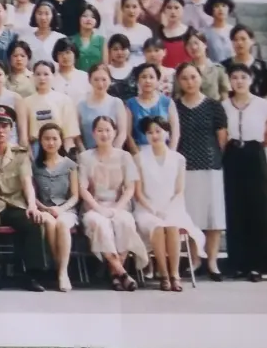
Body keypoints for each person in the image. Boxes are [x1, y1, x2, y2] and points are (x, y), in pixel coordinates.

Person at [0, 105, 48, 292]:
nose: (0, 130)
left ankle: (32, 275)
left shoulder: (20, 154)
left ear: (11, 128)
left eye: (4, 126)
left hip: (16, 203)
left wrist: (32, 205)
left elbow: (26, 182)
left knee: (34, 221)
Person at [133, 116, 206, 292]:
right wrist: (153, 209)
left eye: (158, 131)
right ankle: (164, 275)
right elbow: (138, 192)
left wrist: (167, 208)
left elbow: (179, 190)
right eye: (150, 132)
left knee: (172, 224)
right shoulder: (139, 158)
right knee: (157, 226)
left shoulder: (178, 159)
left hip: (173, 207)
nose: (154, 135)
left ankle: (175, 274)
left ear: (167, 132)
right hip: (147, 209)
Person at [221, 63, 267, 281]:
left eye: (243, 77)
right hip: (233, 155)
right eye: (235, 77)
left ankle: (258, 266)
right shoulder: (224, 106)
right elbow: (222, 135)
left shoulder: (263, 105)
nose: (239, 81)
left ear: (251, 79)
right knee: (235, 208)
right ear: (230, 81)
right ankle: (239, 264)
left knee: (258, 209)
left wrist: (254, 151)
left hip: (254, 155)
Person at [78, 116, 146, 291]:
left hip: (118, 204)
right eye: (99, 130)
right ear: (93, 133)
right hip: (94, 205)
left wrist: (117, 208)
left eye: (108, 130)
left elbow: (130, 188)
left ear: (115, 132)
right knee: (99, 223)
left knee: (125, 222)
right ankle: (122, 273)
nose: (104, 134)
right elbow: (83, 189)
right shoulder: (85, 157)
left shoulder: (124, 156)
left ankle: (115, 274)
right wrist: (98, 208)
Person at [173, 63, 228, 281]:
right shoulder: (175, 107)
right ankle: (195, 259)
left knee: (213, 216)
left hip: (210, 164)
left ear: (200, 78)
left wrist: (214, 156)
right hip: (186, 166)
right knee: (192, 216)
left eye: (193, 77)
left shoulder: (214, 106)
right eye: (184, 78)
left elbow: (222, 137)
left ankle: (212, 262)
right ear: (179, 81)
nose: (189, 81)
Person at [32, 123, 80, 292]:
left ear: (60, 141)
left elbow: (75, 195)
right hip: (43, 209)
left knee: (61, 223)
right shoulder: (35, 165)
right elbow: (32, 194)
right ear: (40, 141)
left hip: (66, 209)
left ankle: (62, 272)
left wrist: (61, 209)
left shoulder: (70, 165)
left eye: (54, 138)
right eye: (46, 139)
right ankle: (57, 264)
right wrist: (43, 208)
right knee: (49, 222)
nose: (50, 143)